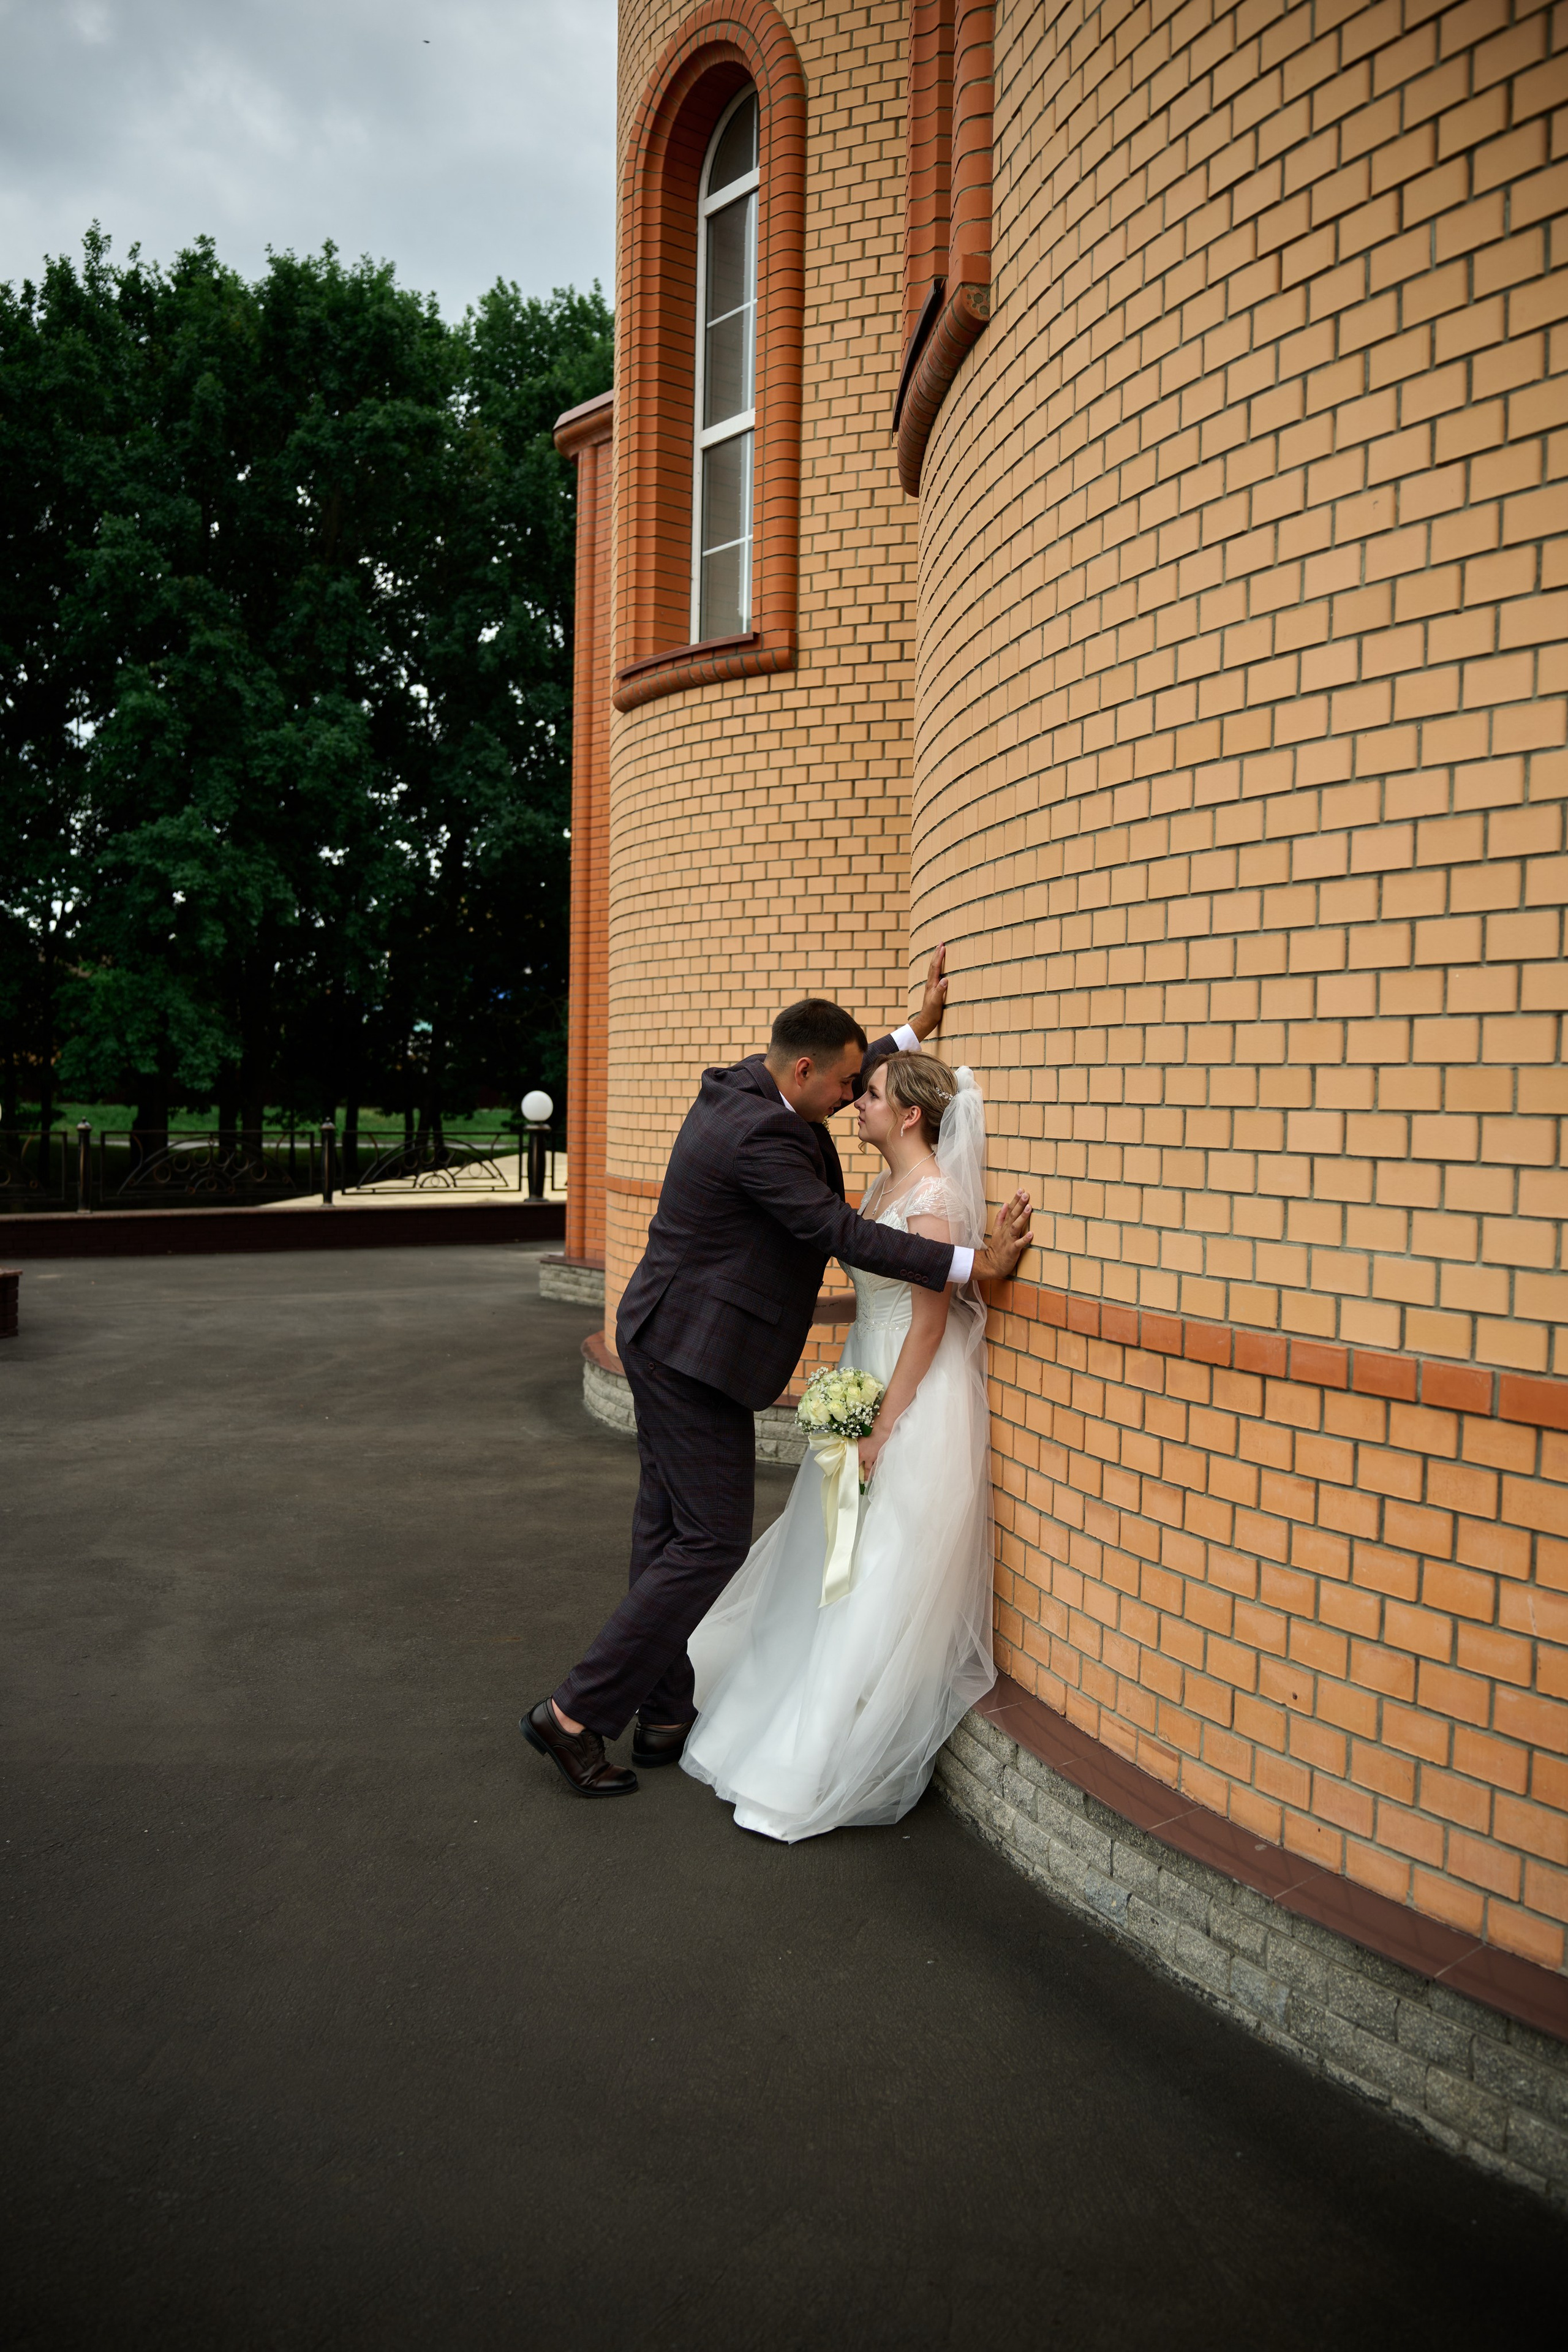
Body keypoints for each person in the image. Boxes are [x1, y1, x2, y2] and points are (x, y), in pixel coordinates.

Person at [522, 949, 1032, 1798]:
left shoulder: (746, 1084)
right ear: (804, 1071)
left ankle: (665, 1709)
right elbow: (839, 1233)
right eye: (844, 1085)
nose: (849, 1098)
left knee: (664, 1533)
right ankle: (574, 1714)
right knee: (711, 1539)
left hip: (668, 1336)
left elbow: (844, 1065)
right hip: (694, 1356)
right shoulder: (760, 1133)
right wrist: (968, 1264)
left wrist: (912, 1032)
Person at [680, 1050, 994, 1840]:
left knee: (875, 1563)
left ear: (911, 1115)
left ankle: (829, 1743)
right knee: (832, 1555)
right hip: (864, 1370)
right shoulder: (885, 1186)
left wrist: (884, 1427)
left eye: (875, 1094)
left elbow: (928, 1323)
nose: (859, 1102)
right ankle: (782, 1711)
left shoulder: (933, 1197)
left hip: (911, 1388)